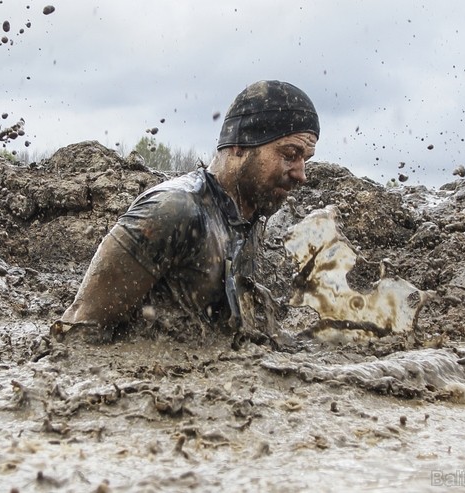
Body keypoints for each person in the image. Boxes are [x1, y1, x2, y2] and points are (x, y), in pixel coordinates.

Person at [51, 80, 319, 346]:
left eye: (305, 159)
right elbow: (77, 332)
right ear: (241, 144)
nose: (301, 174)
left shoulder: (245, 218)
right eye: (290, 154)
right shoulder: (174, 210)